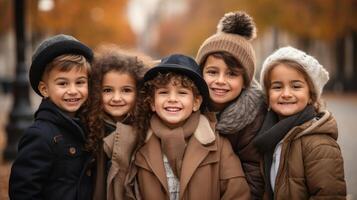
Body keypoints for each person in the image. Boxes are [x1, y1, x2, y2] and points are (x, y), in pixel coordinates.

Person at [127, 54, 251, 200]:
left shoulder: (218, 144)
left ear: (196, 103)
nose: (172, 99)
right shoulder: (138, 142)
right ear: (152, 103)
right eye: (164, 92)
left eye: (182, 93)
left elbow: (237, 192)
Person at [254, 46, 346, 199]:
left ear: (311, 95)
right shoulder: (269, 135)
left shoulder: (319, 145)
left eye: (296, 86)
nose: (286, 94)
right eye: (277, 87)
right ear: (268, 95)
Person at [9, 34, 93, 200]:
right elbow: (23, 192)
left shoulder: (89, 126)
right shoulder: (40, 135)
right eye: (63, 83)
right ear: (44, 89)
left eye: (80, 82)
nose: (73, 90)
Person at [195, 11, 265, 199]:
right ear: (200, 73)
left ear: (245, 81)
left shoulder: (253, 117)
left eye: (231, 74)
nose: (220, 81)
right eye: (212, 72)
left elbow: (253, 171)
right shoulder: (188, 105)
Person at [84, 45, 148, 200]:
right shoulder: (89, 128)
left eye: (126, 90)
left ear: (139, 93)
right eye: (107, 90)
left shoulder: (145, 130)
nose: (117, 98)